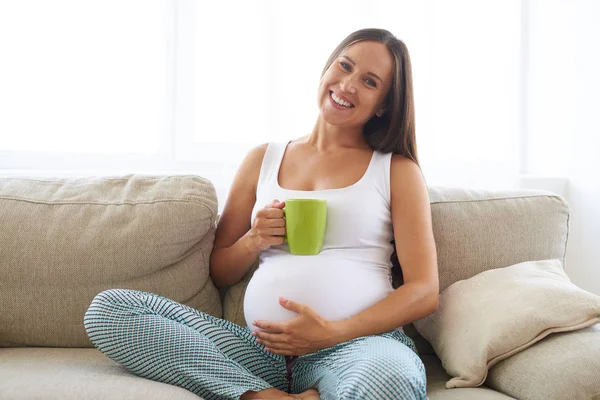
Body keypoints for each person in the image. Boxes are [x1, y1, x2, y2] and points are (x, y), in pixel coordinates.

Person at [84, 28, 439, 400]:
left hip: (355, 347)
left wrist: (334, 331)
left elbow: (424, 291)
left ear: (383, 104)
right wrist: (254, 240)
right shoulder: (263, 160)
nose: (348, 85)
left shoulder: (396, 170)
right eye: (344, 66)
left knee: (390, 377)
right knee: (110, 310)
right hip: (258, 352)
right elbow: (221, 271)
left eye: (369, 81)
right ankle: (264, 396)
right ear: (326, 70)